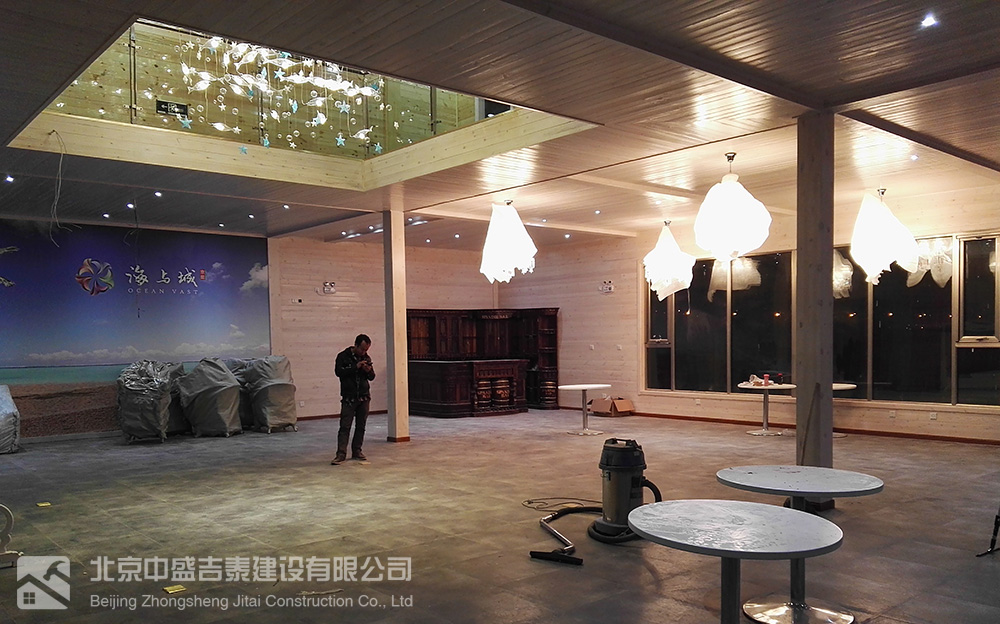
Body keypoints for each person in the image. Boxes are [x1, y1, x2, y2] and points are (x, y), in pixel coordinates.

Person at [332, 334, 376, 464]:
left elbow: (372, 377)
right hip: (349, 397)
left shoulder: (366, 358)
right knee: (345, 426)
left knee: (361, 426)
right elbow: (339, 372)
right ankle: (341, 454)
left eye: (366, 350)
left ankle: (357, 450)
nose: (364, 352)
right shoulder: (343, 356)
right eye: (362, 349)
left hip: (364, 396)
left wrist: (368, 370)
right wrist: (355, 367)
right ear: (355, 345)